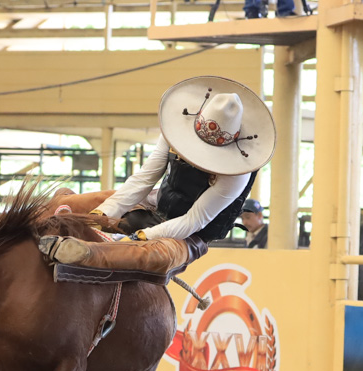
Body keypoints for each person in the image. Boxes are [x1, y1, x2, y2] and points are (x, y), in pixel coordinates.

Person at [39, 75, 276, 279]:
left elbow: (193, 221)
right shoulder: (175, 131)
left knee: (158, 253)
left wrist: (138, 237)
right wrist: (103, 215)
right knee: (99, 199)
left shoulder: (237, 174)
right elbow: (145, 178)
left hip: (192, 234)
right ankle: (35, 217)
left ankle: (86, 253)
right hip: (158, 201)